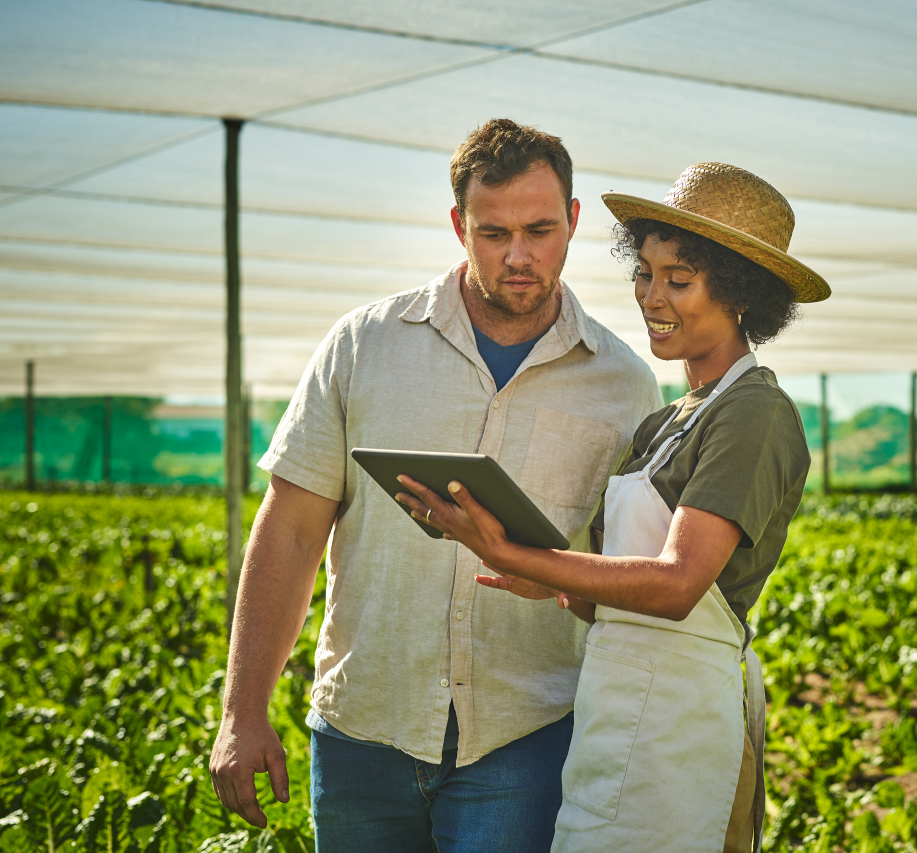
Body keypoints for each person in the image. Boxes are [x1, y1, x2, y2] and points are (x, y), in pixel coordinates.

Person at [209, 118, 661, 852]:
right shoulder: (365, 345)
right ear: (458, 225)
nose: (519, 255)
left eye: (541, 229)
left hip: (526, 737)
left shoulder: (623, 384)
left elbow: (627, 569)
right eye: (493, 233)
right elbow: (291, 529)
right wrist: (242, 709)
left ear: (574, 221)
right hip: (365, 729)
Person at [398, 162, 829, 853]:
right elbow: (615, 596)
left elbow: (680, 583)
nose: (651, 296)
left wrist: (517, 552)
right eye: (644, 272)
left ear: (743, 295)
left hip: (678, 730)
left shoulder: (756, 412)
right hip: (615, 718)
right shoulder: (667, 422)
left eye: (678, 280)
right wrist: (555, 586)